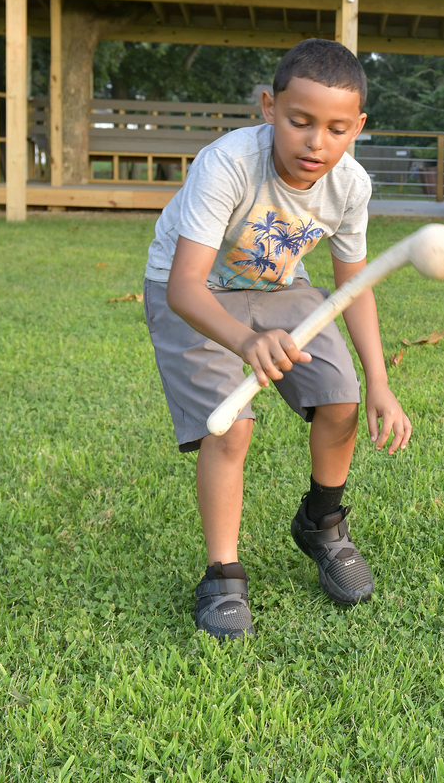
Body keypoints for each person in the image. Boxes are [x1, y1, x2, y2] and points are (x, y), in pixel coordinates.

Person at [142, 39, 412, 640]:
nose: (317, 142)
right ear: (269, 108)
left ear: (358, 128)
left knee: (339, 398)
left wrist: (380, 382)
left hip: (278, 286)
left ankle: (322, 522)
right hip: (191, 291)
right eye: (300, 121)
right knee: (230, 422)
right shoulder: (229, 162)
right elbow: (186, 287)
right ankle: (222, 572)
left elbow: (354, 286)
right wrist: (244, 341)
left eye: (337, 128)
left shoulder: (351, 185)